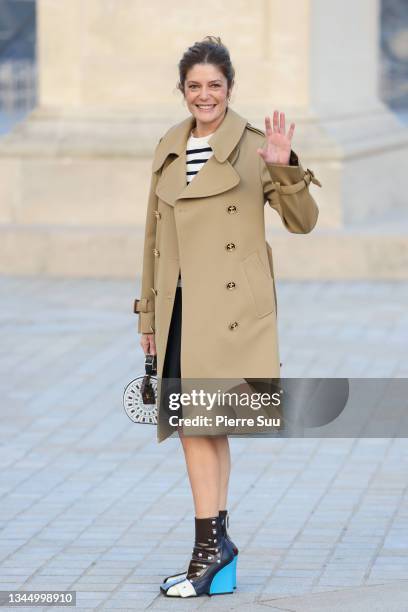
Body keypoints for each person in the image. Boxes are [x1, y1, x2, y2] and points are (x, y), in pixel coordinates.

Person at [135, 35, 321, 598]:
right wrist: (147, 315)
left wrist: (285, 168)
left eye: (215, 85)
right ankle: (214, 553)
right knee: (196, 429)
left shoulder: (257, 146)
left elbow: (303, 221)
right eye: (194, 86)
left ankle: (209, 556)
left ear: (229, 88)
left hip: (230, 310)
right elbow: (153, 239)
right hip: (180, 308)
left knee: (205, 425)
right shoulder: (168, 146)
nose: (205, 95)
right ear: (183, 91)